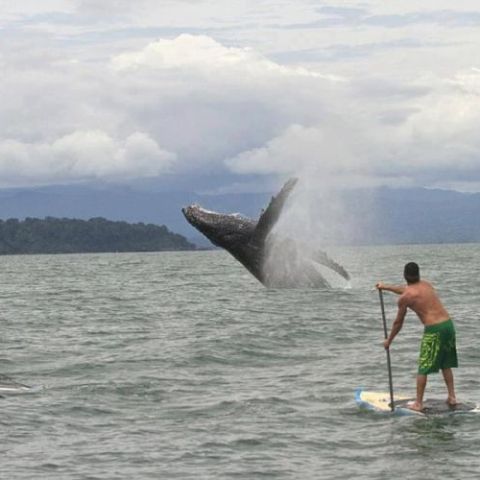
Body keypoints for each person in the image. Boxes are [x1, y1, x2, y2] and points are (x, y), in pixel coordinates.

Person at [376, 262, 458, 412]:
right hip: (448, 326)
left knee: (423, 367)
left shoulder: (405, 298)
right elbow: (406, 290)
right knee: (445, 363)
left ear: (404, 276)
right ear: (418, 274)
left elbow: (398, 322)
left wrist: (389, 341)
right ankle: (452, 396)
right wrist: (385, 287)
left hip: (434, 330)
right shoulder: (426, 285)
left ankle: (418, 403)